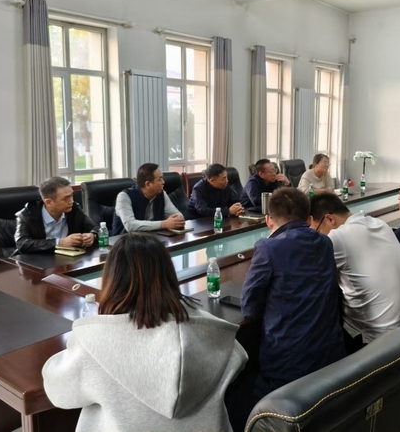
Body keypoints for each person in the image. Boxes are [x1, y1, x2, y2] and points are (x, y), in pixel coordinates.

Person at [43, 233, 247, 431]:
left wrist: (81, 337)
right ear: (168, 275)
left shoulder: (93, 341)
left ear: (112, 281)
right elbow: (239, 358)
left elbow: (58, 391)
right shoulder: (213, 331)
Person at [241, 188, 345, 398]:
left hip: (288, 364)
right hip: (330, 354)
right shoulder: (325, 242)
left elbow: (249, 307)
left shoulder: (268, 247)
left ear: (268, 220)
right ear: (309, 219)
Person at [309, 193, 400, 354]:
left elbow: (308, 273)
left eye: (316, 230)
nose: (317, 236)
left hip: (375, 340)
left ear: (330, 219)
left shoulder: (338, 236)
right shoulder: (379, 224)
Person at [15, 177, 99, 253]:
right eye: (66, 198)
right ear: (48, 202)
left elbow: (96, 228)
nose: (71, 201)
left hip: (67, 260)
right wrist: (59, 242)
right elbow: (22, 244)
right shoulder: (27, 215)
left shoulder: (74, 209)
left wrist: (92, 235)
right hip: (36, 261)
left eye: (72, 196)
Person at [112, 163, 185, 235]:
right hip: (125, 240)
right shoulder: (124, 196)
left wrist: (177, 220)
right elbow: (130, 225)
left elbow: (177, 215)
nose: (163, 182)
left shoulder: (161, 194)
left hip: (152, 238)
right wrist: (164, 224)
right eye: (159, 179)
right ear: (148, 184)